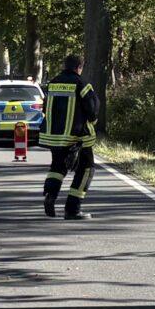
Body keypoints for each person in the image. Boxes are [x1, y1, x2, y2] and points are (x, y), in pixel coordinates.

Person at [40, 52, 100, 220]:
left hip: (54, 137)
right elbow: (93, 109)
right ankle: (72, 209)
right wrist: (92, 121)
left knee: (58, 167)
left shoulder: (52, 83)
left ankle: (50, 195)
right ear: (79, 67)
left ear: (64, 66)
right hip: (76, 138)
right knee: (86, 169)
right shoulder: (82, 84)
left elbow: (45, 108)